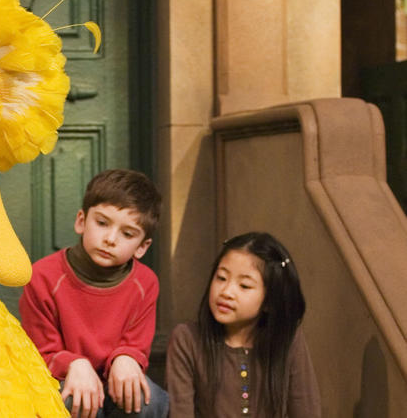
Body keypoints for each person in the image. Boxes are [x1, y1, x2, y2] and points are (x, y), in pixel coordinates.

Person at [19, 169, 169, 418]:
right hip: (62, 380)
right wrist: (74, 364)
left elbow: (136, 345)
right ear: (81, 221)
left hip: (115, 384)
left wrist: (126, 357)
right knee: (70, 403)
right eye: (102, 223)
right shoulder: (42, 276)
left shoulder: (146, 283)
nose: (110, 239)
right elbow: (40, 352)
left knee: (146, 401)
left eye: (127, 234)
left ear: (142, 247)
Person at [166, 232, 321, 417]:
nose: (226, 292)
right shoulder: (187, 339)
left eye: (244, 286)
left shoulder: (288, 339)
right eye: (221, 278)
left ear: (270, 301)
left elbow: (306, 410)